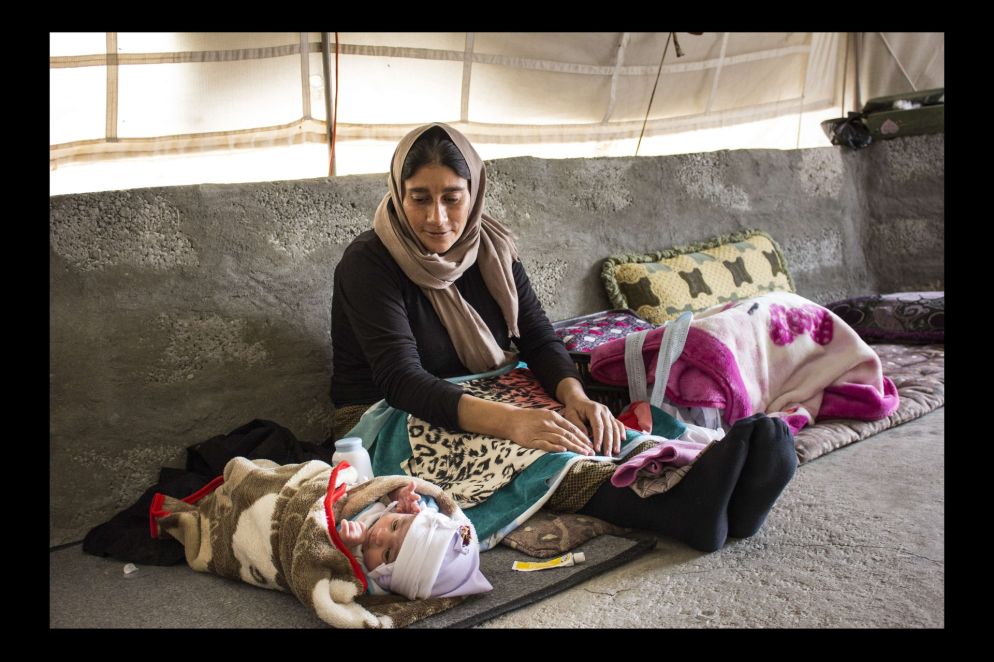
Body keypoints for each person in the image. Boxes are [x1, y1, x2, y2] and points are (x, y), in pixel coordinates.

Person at [331, 123, 796, 553]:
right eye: (419, 198)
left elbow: (537, 336)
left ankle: (707, 483)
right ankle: (679, 510)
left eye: (452, 197)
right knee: (528, 450)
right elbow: (400, 379)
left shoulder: (491, 248)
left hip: (486, 385)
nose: (437, 217)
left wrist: (575, 396)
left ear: (474, 194)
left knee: (590, 427)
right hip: (387, 413)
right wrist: (512, 422)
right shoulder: (369, 262)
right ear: (397, 194)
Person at [338, 478, 492, 600]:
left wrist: (344, 545)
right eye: (395, 525)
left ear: (387, 580)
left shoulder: (370, 584)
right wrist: (400, 497)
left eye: (387, 554)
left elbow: (332, 566)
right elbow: (383, 490)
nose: (380, 535)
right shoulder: (411, 512)